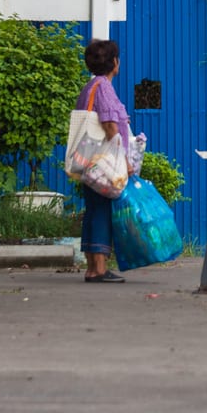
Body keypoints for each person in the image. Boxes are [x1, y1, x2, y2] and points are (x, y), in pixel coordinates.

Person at [77, 38, 132, 283]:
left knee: (93, 209)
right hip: (104, 160)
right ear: (114, 63)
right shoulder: (104, 87)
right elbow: (110, 124)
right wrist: (121, 159)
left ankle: (92, 267)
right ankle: (99, 269)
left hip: (89, 158)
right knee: (102, 210)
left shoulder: (90, 87)